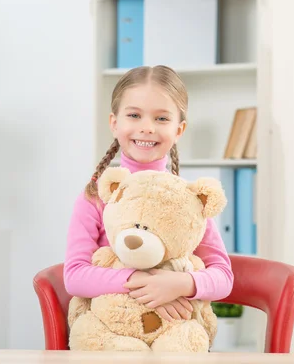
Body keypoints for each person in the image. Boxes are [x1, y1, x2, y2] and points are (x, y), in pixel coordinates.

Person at [64, 65, 234, 323]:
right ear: (114, 123)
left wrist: (181, 284)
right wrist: (140, 282)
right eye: (134, 115)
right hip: (111, 332)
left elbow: (223, 277)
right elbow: (75, 276)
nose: (147, 127)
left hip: (175, 338)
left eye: (162, 118)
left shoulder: (187, 201)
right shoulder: (96, 196)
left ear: (179, 130)